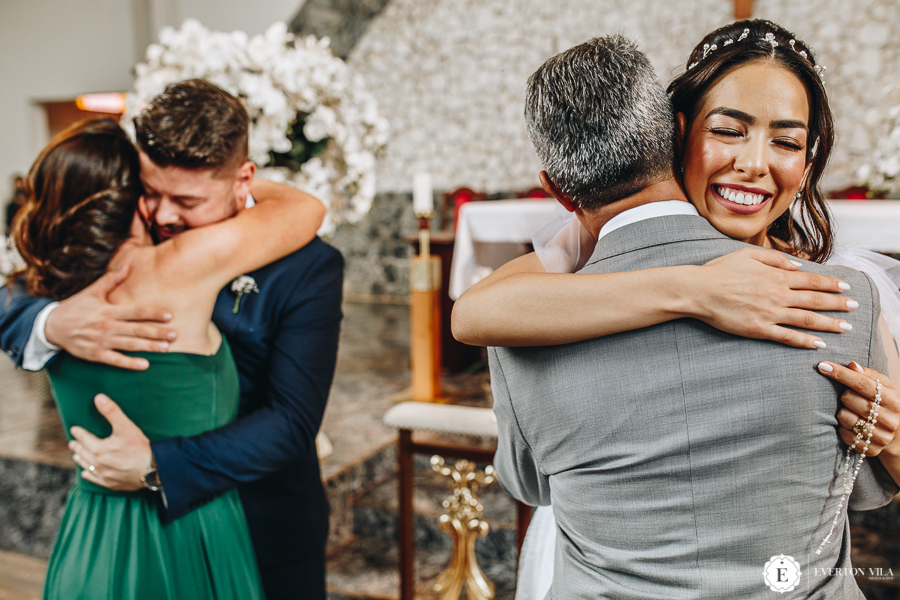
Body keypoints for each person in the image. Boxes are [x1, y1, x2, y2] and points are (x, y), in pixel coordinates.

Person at [452, 21, 900, 597]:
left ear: (808, 164)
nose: (753, 163)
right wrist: (697, 289)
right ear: (674, 135)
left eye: (786, 141)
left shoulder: (839, 293)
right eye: (729, 131)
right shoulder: (570, 264)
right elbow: (477, 312)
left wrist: (890, 436)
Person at [0, 80, 344, 600]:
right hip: (137, 534)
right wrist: (51, 322)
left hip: (261, 520)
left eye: (186, 200)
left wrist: (158, 465)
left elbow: (292, 420)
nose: (162, 215)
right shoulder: (114, 248)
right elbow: (18, 291)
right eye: (150, 192)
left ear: (242, 180)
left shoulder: (306, 266)